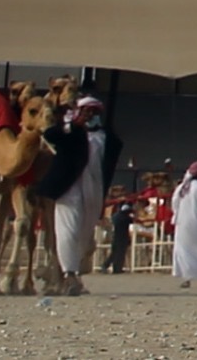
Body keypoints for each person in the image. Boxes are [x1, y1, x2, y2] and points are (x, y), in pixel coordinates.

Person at [38, 94, 124, 292]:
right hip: (69, 188)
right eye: (87, 111)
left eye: (94, 112)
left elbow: (115, 147)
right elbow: (51, 135)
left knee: (84, 234)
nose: (91, 115)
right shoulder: (68, 132)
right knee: (68, 229)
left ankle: (71, 273)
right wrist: (74, 124)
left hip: (94, 188)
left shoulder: (104, 137)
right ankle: (69, 275)